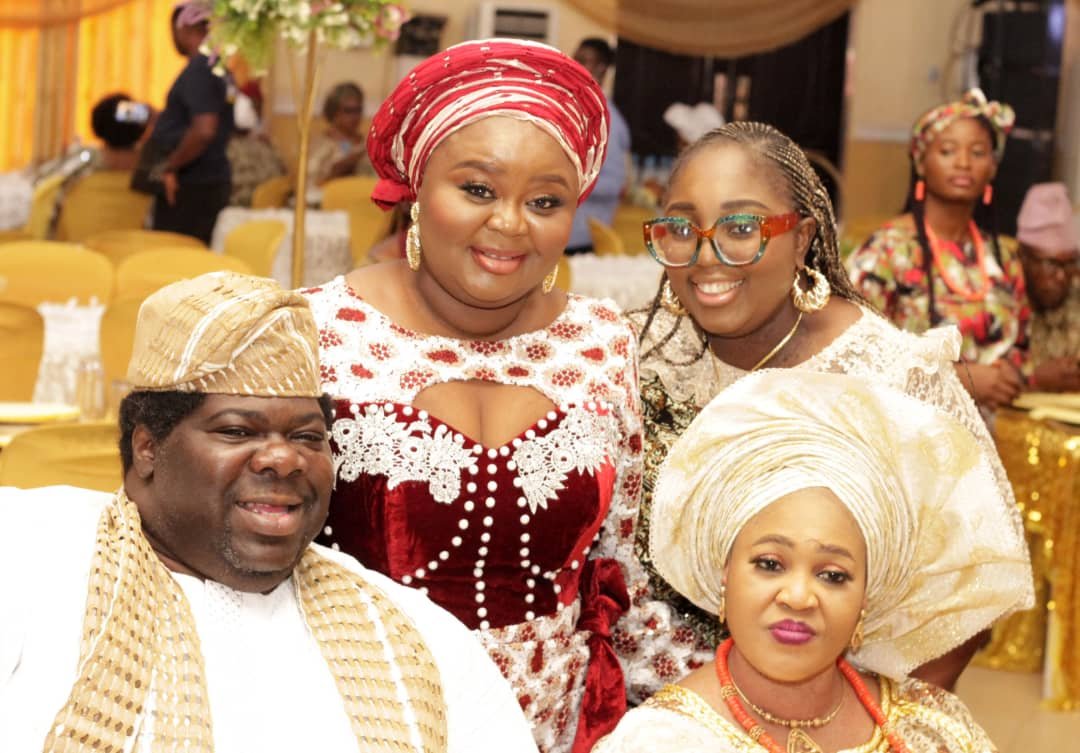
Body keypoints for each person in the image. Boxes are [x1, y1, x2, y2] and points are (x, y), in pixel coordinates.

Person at [303, 38, 708, 753]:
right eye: (478, 190)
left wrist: (716, 703)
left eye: (545, 201)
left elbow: (620, 569)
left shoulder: (599, 341)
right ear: (417, 188)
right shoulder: (321, 330)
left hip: (552, 724)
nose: (512, 223)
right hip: (360, 720)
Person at [0, 271, 536, 753]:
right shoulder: (29, 557)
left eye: (308, 437)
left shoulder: (414, 638)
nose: (284, 459)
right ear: (147, 448)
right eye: (237, 431)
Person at [631, 121, 1023, 690]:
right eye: (682, 228)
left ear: (801, 238)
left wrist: (866, 721)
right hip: (636, 708)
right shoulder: (640, 357)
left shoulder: (889, 377)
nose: (707, 254)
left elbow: (970, 590)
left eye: (741, 228)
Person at [595, 370, 1032, 753]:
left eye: (833, 575)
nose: (799, 596)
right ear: (724, 572)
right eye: (770, 564)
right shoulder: (662, 741)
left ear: (867, 596)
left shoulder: (930, 727)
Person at [848, 89, 1031, 411]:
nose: (963, 163)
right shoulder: (885, 252)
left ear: (993, 167)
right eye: (947, 151)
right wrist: (960, 381)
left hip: (993, 431)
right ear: (921, 161)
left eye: (978, 153)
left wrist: (1010, 378)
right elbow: (852, 356)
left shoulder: (1003, 258)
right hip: (905, 428)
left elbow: (1020, 351)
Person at [145, 1, 233, 244]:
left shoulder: (200, 69)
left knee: (174, 256)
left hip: (191, 184)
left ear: (183, 28)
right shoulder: (217, 65)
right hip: (209, 180)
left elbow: (204, 130)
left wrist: (171, 166)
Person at [565, 38, 631, 254]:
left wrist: (569, 182)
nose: (574, 65)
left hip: (584, 237)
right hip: (563, 232)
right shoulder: (576, 108)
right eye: (575, 58)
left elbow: (615, 184)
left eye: (584, 60)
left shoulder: (606, 119)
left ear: (601, 69)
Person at [1015, 182, 1080, 391]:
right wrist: (1034, 380)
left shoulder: (1075, 295)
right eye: (1050, 263)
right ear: (1023, 257)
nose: (1061, 276)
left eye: (1070, 263)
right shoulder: (998, 303)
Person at [226, 82, 288, 206]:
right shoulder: (227, 148)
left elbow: (283, 179)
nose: (256, 112)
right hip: (245, 209)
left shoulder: (265, 144)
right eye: (253, 107)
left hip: (255, 209)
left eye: (258, 107)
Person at [309, 81, 374, 187]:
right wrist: (342, 167)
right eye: (348, 111)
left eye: (358, 110)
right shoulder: (320, 146)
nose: (355, 116)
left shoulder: (367, 144)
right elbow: (312, 183)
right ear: (334, 112)